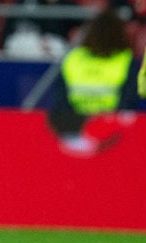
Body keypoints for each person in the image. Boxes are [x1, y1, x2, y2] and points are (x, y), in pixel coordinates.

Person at [48, 9, 139, 154]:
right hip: (110, 130)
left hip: (76, 126)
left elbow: (61, 100)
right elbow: (128, 103)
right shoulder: (126, 60)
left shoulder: (73, 58)